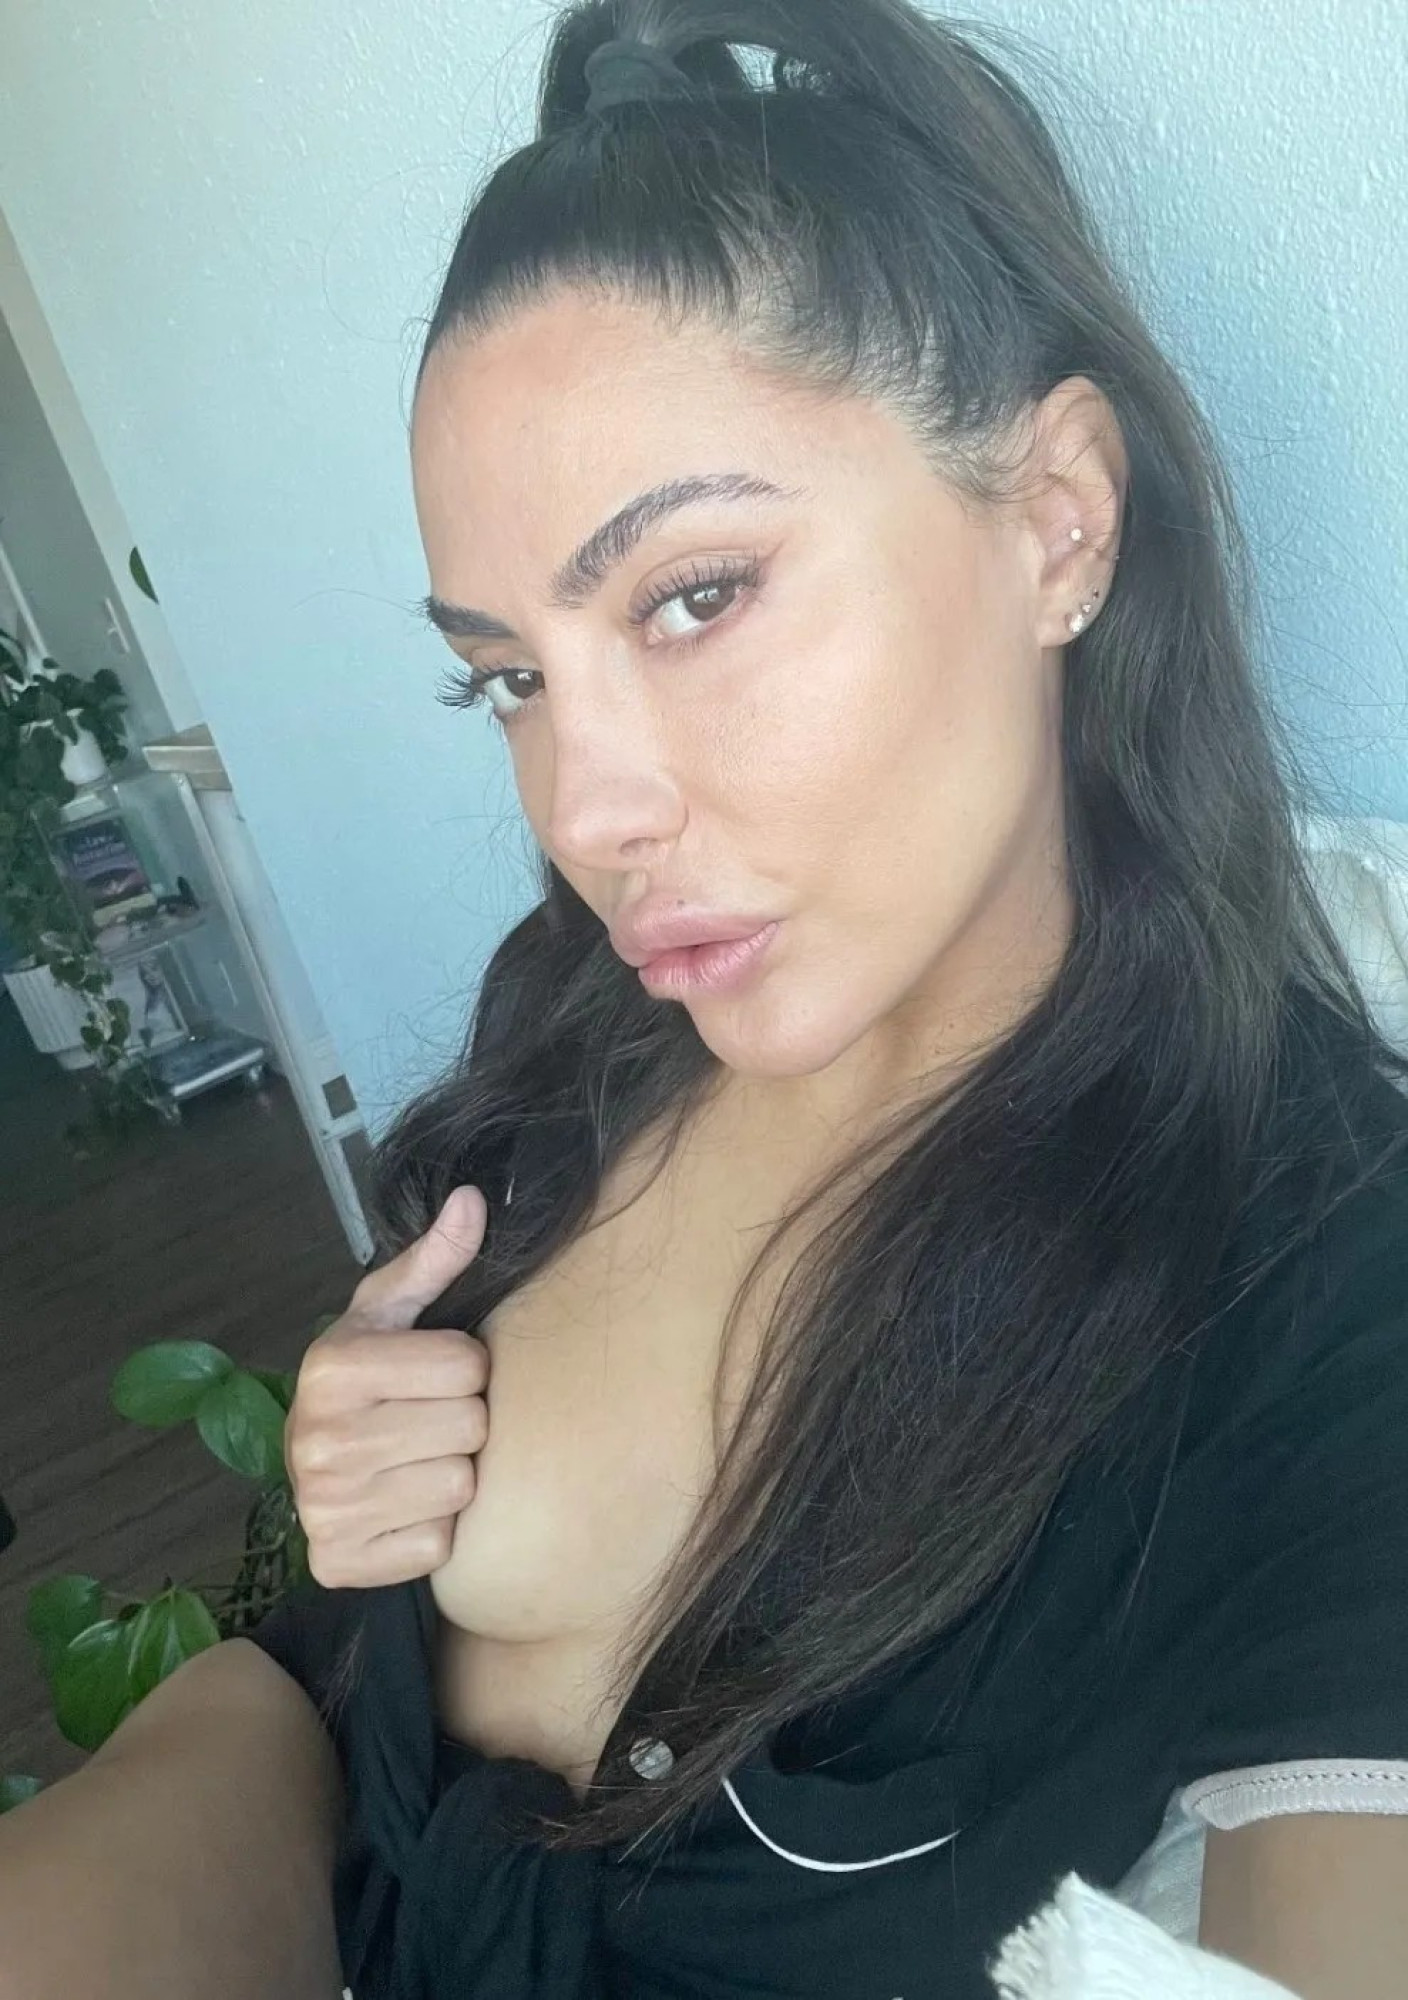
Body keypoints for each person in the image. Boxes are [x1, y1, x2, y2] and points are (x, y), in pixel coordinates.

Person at [3, 2, 1407, 1995]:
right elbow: (329, 1692)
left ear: (1056, 520)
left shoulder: (1317, 1273)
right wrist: (365, 1462)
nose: (584, 814)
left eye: (692, 595)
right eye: (508, 677)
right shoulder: (581, 1028)